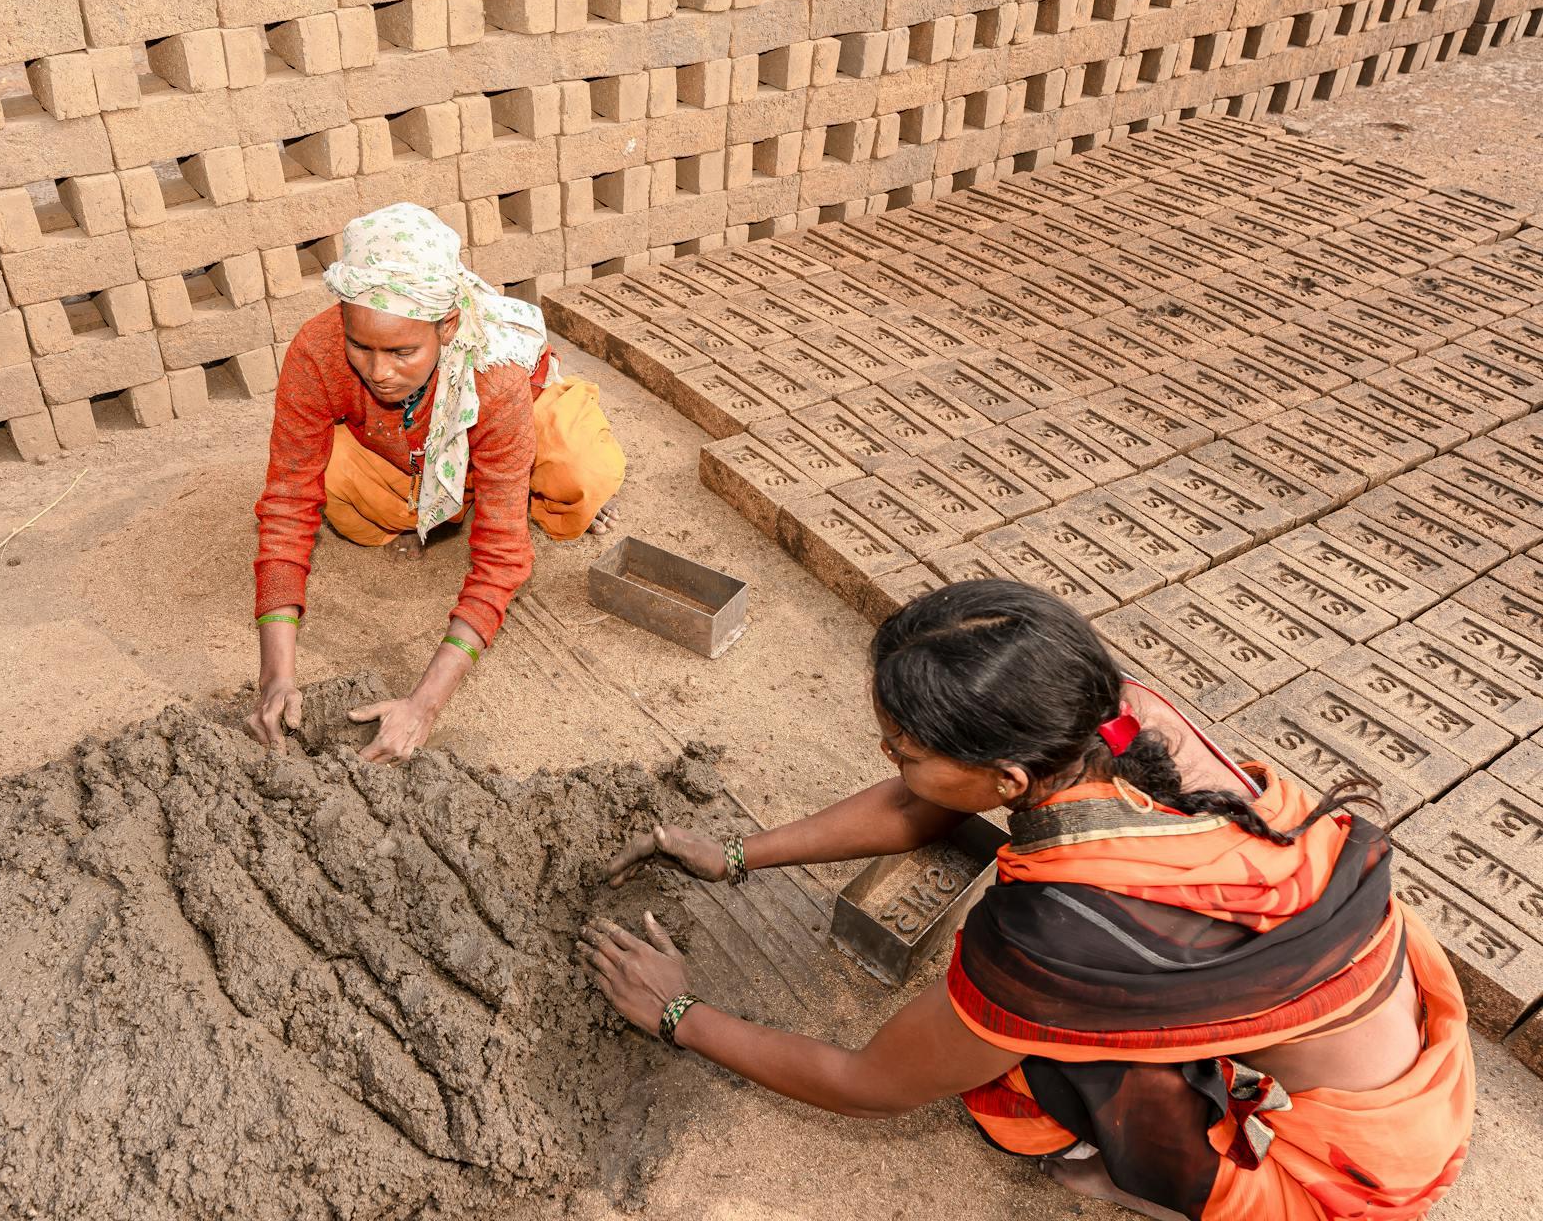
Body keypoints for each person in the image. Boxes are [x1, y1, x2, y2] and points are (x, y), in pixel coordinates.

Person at [581, 579, 1473, 1220]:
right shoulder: (1120, 719)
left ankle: (1142, 1178)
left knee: (1018, 1071)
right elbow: (922, 798)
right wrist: (736, 853)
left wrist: (681, 1013)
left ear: (1009, 774)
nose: (887, 757)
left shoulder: (1055, 934)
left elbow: (868, 1084)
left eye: (900, 746)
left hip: (1355, 1176)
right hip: (1405, 1048)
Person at [249, 203, 626, 762]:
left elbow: (501, 558)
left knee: (578, 474)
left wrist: (425, 701)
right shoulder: (318, 350)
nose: (379, 372)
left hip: (513, 419)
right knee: (337, 486)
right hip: (406, 449)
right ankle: (466, 493)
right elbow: (288, 501)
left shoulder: (492, 373)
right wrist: (274, 676)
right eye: (362, 346)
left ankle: (516, 485)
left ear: (446, 327)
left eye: (402, 351)